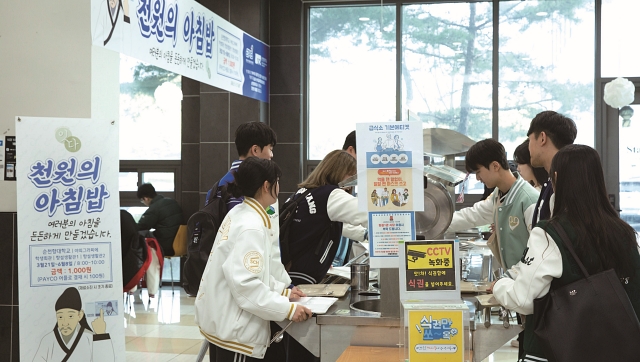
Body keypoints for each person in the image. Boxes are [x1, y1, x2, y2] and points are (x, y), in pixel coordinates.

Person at [491, 145, 640, 362]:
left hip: (562, 350)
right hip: (621, 348)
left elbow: (523, 299)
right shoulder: (626, 233)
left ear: (557, 179)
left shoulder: (550, 233)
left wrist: (499, 286)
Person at [195, 157, 312, 362]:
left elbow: (253, 272)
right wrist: (288, 309)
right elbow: (246, 285)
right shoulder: (251, 225)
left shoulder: (242, 213)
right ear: (267, 186)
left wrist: (282, 291)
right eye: (277, 181)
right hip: (237, 333)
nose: (279, 186)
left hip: (229, 324)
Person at [447, 139, 539, 271]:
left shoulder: (529, 200)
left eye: (478, 172)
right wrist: (437, 224)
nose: (478, 178)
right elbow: (472, 215)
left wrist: (508, 279)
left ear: (495, 166)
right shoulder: (498, 195)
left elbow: (537, 253)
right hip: (514, 280)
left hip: (527, 282)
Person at [285, 150, 368, 285]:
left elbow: (339, 225)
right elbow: (367, 214)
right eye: (350, 175)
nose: (352, 182)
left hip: (289, 270)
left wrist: (365, 234)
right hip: (304, 274)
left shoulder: (303, 192)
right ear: (338, 172)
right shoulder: (330, 194)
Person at [204, 121, 278, 209]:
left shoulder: (221, 184)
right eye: (270, 149)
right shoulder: (245, 184)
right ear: (255, 150)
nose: (271, 155)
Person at [33, 287, 114, 361]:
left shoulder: (90, 337)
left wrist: (101, 335)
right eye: (60, 317)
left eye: (70, 316)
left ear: (80, 315)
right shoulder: (48, 340)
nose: (65, 323)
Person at [527, 110, 577, 227]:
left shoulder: (566, 182)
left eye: (530, 140)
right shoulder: (551, 180)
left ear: (542, 138)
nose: (528, 147)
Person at [137, 183, 183, 256]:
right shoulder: (172, 201)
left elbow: (141, 227)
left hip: (167, 246)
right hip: (181, 243)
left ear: (146, 198)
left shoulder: (154, 208)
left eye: (142, 201)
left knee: (140, 241)